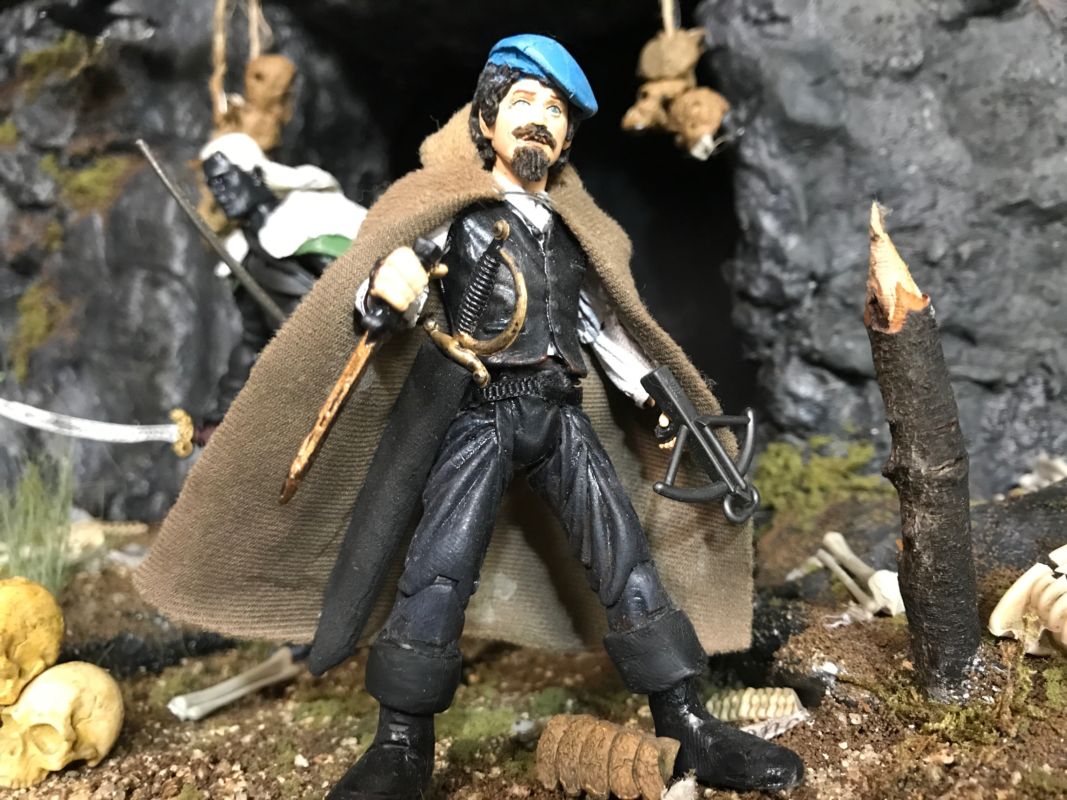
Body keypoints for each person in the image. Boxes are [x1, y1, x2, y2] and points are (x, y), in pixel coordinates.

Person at [136, 34, 802, 800]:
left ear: (566, 137)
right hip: (479, 412)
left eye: (554, 110)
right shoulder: (446, 212)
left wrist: (655, 398)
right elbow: (393, 282)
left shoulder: (571, 230)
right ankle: (399, 745)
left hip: (557, 413)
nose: (538, 119)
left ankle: (684, 720)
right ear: (486, 120)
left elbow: (604, 330)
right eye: (522, 102)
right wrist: (385, 288)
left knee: (624, 559)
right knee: (437, 566)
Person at [198, 133, 366, 438]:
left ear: (253, 174)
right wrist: (222, 412)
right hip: (308, 381)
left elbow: (357, 282)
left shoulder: (307, 218)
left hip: (361, 357)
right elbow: (253, 340)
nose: (219, 192)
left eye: (224, 179)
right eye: (213, 185)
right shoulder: (243, 255)